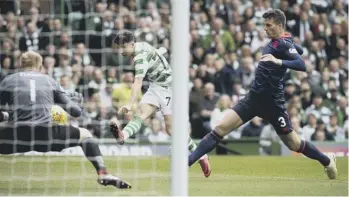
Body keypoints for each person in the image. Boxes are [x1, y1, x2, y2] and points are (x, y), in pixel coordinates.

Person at [188, 9, 337, 179]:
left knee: (294, 144)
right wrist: (292, 45)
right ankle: (186, 163)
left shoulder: (282, 44)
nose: (265, 29)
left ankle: (327, 160)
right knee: (220, 129)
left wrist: (278, 60)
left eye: (269, 25)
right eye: (264, 25)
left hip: (273, 104)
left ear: (280, 25)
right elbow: (300, 50)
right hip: (253, 99)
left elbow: (301, 63)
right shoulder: (281, 40)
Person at [0, 51, 131, 189]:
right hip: (46, 134)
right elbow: (75, 112)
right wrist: (78, 104)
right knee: (85, 134)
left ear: (21, 64)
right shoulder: (49, 80)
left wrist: (8, 115)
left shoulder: (9, 80)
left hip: (16, 135)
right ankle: (103, 173)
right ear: (40, 65)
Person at [109, 30, 211, 177]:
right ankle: (123, 135)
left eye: (123, 47)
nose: (121, 51)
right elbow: (158, 51)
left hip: (169, 88)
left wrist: (130, 104)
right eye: (119, 47)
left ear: (132, 44)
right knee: (141, 114)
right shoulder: (142, 45)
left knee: (171, 130)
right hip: (156, 86)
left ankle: (201, 155)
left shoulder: (139, 58)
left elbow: (137, 82)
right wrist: (161, 51)